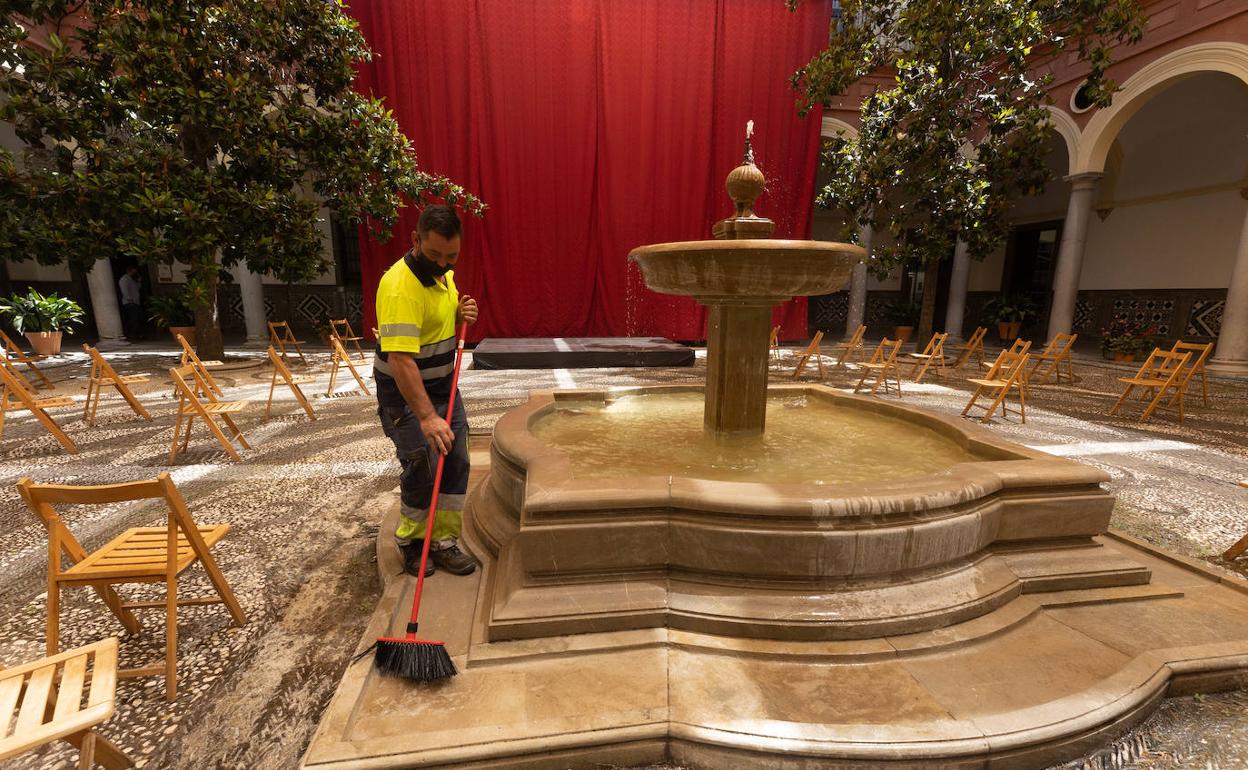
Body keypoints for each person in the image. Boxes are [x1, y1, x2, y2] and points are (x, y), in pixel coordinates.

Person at [373, 205, 479, 577]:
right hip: (405, 390)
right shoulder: (401, 286)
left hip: (441, 383)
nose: (444, 264)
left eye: (452, 256)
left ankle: (444, 541)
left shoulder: (442, 274)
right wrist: (427, 416)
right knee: (422, 463)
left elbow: (432, 324)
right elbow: (401, 360)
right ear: (415, 240)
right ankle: (414, 543)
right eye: (435, 255)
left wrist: (458, 312)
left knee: (457, 459)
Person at [118, 265, 145, 340]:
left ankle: (136, 334)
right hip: (130, 302)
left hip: (135, 302)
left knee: (136, 318)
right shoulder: (124, 279)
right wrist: (130, 299)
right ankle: (130, 334)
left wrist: (139, 282)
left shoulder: (132, 279)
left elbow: (137, 288)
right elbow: (124, 290)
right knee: (133, 319)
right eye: (134, 271)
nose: (135, 272)